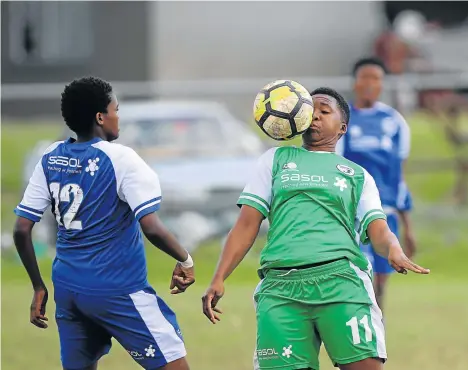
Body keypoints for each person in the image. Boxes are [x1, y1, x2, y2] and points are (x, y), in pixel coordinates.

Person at [202, 87, 429, 370]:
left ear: (342, 127)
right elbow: (247, 224)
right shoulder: (275, 160)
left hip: (341, 283)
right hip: (281, 289)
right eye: (312, 111)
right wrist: (219, 277)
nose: (316, 117)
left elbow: (378, 229)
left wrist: (393, 249)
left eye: (325, 111)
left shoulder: (358, 175)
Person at [13, 76, 195, 370]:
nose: (118, 117)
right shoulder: (121, 158)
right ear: (101, 116)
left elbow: (22, 228)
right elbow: (150, 226)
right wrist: (185, 259)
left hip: (68, 289)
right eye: (116, 110)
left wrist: (38, 286)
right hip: (117, 290)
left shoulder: (50, 156)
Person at [336, 57, 417, 311]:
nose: (371, 84)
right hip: (352, 214)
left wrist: (408, 226)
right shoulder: (341, 120)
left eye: (376, 79)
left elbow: (399, 177)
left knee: (380, 284)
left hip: (386, 215)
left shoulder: (395, 122)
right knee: (360, 280)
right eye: (365, 78)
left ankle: (376, 337)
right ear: (355, 83)